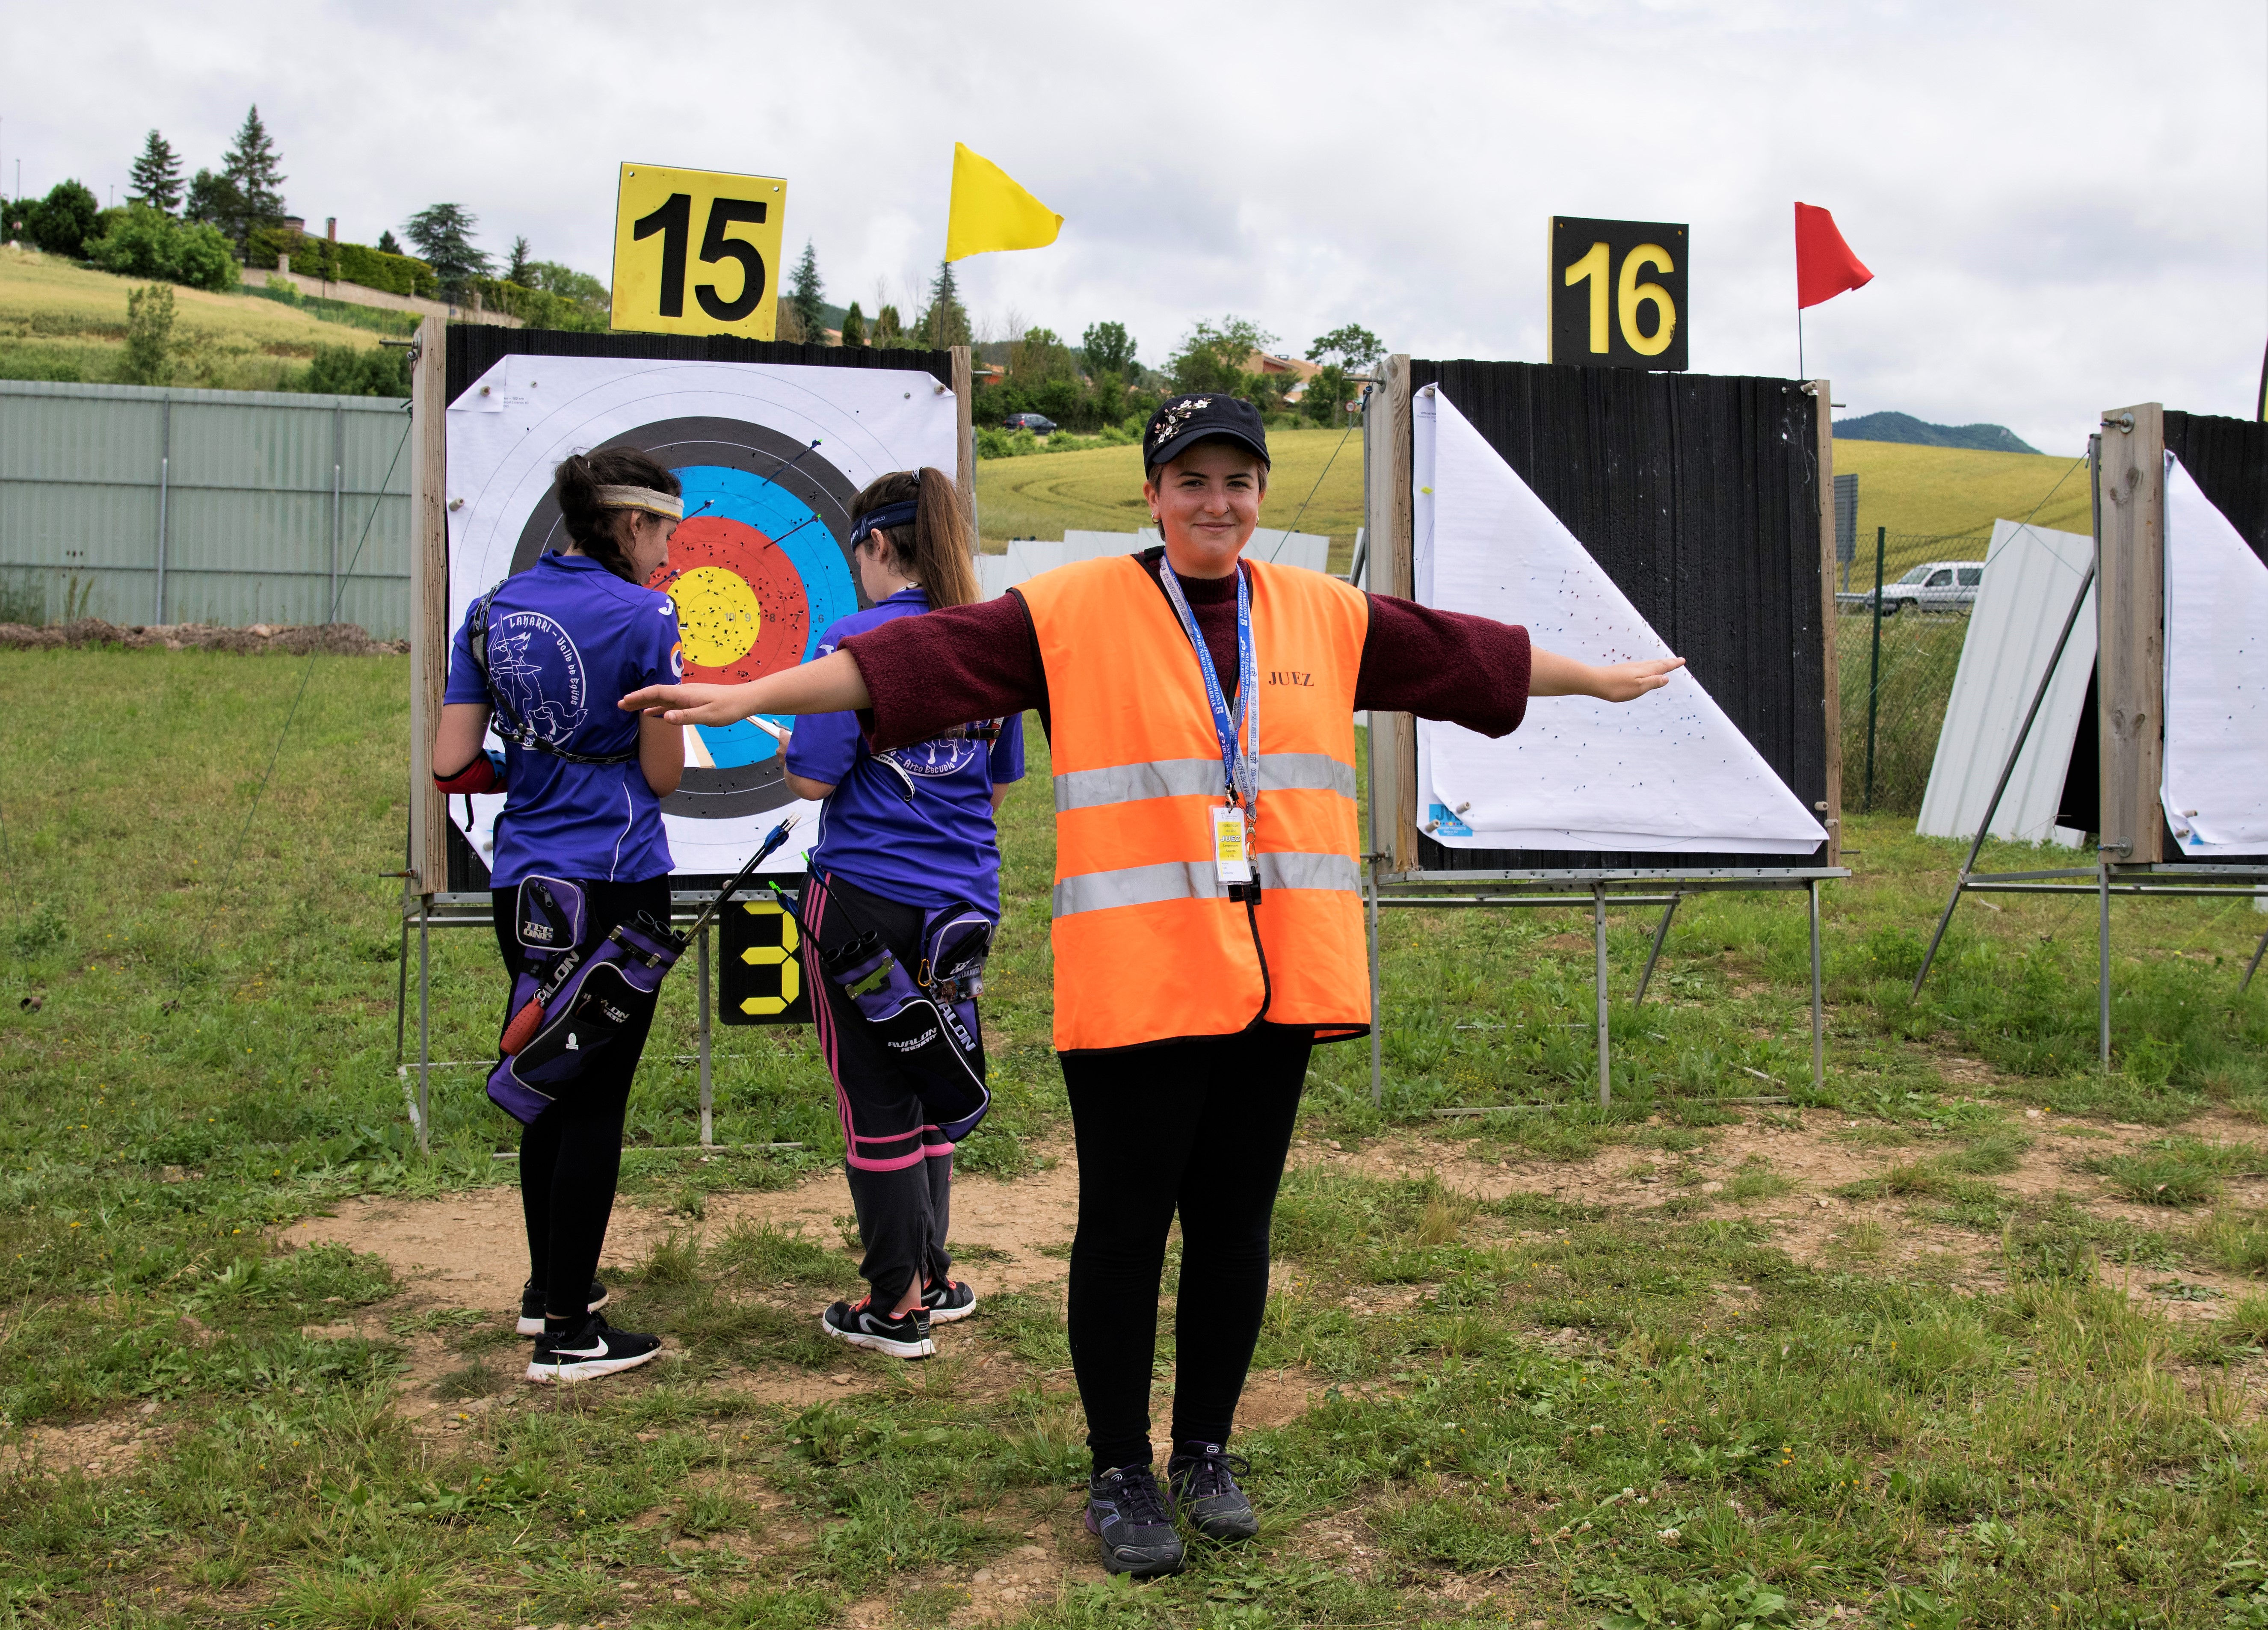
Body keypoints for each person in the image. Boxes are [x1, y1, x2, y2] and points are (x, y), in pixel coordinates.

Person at [620, 395, 1682, 1572]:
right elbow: (914, 660)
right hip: (1138, 980)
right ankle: (1119, 1467)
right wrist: (748, 696)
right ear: (1152, 494)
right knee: (1124, 1230)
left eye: (1236, 480)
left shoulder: (1321, 613)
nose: (1214, 501)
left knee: (1233, 1228)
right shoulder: (1073, 610)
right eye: (1190, 481)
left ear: (1260, 494)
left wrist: (1594, 677)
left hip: (1276, 978)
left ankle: (1206, 1450)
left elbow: (1458, 654)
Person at [434, 446, 689, 1385]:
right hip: (617, 881)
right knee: (595, 1100)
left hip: (526, 881)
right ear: (630, 524)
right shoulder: (646, 614)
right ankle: (571, 1333)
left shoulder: (492, 610)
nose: (668, 549)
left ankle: (549, 1288)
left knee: (546, 1077)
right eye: (663, 528)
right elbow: (662, 774)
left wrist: (537, 766)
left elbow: (455, 761)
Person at [779, 467, 1024, 1360]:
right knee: (929, 1074)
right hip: (961, 904)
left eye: (855, 554)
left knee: (874, 1099)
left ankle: (894, 1307)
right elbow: (992, 786)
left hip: (862, 901)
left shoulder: (855, 639)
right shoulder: (987, 643)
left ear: (877, 546)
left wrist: (792, 744)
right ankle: (935, 1275)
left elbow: (810, 778)